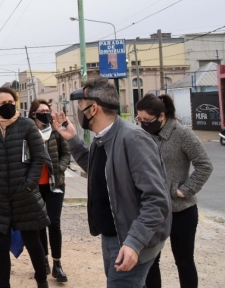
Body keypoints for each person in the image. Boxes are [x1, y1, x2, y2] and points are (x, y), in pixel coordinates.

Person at [52, 78, 171, 287]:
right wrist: (72, 139)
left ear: (93, 108)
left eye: (81, 105)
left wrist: (134, 242)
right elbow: (101, 172)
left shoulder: (133, 139)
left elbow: (157, 199)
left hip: (130, 238)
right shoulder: (103, 137)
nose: (79, 110)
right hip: (113, 234)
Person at [138, 93, 212, 288]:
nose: (143, 123)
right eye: (140, 119)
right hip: (152, 210)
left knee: (184, 261)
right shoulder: (142, 134)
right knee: (150, 262)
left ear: (162, 116)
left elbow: (204, 165)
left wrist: (184, 190)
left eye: (147, 120)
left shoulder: (181, 133)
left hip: (181, 211)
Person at [0, 87, 50, 288]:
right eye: (2, 103)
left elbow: (38, 159)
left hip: (25, 196)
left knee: (33, 243)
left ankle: (41, 280)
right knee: (0, 247)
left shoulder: (27, 126)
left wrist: (29, 185)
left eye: (11, 101)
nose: (8, 105)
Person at [29, 99, 71, 283]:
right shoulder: (28, 132)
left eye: (47, 110)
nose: (46, 113)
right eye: (42, 110)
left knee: (54, 222)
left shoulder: (56, 130)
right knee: (39, 223)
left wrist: (59, 168)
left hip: (55, 184)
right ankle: (43, 260)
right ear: (33, 114)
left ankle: (57, 264)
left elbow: (66, 153)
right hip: (35, 185)